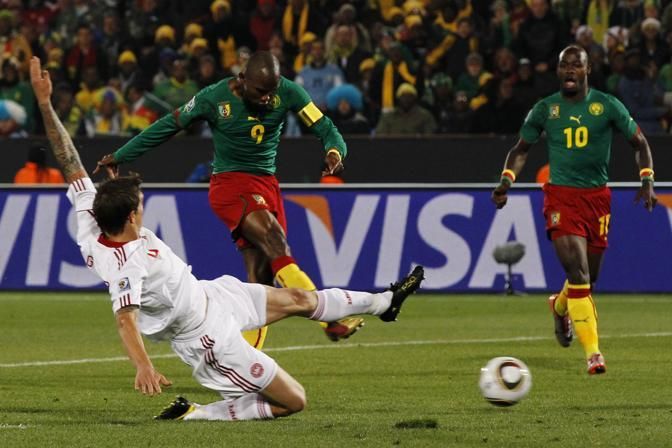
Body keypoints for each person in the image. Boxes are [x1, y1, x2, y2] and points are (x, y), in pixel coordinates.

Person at [30, 55, 426, 422]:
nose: (268, 98)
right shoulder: (124, 266)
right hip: (204, 334)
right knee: (294, 400)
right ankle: (198, 413)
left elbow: (69, 160)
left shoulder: (91, 214)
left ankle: (385, 302)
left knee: (296, 297)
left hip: (215, 293)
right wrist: (144, 366)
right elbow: (125, 320)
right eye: (141, 202)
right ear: (132, 216)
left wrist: (46, 104)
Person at [94, 51, 363, 347]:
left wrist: (334, 151)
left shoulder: (289, 92)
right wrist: (122, 154)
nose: (267, 98)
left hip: (267, 186)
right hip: (231, 185)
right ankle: (329, 319)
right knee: (276, 243)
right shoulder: (213, 98)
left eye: (271, 91)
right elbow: (168, 125)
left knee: (260, 284)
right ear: (242, 79)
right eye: (260, 91)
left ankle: (241, 361)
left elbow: (325, 127)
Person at [491, 45, 657, 375]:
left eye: (576, 65)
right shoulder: (545, 109)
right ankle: (594, 354)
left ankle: (560, 305)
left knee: (589, 278)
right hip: (561, 198)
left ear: (587, 69)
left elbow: (640, 144)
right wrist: (506, 181)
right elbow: (520, 149)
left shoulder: (607, 105)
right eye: (564, 65)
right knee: (579, 274)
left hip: (597, 199)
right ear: (558, 71)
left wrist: (647, 180)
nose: (569, 70)